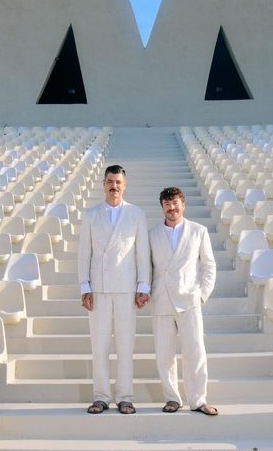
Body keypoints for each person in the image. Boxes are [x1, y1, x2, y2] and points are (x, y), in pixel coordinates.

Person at [78, 164, 150, 415]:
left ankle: (125, 396)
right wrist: (84, 286)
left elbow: (142, 252)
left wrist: (143, 286)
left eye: (118, 182)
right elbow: (83, 254)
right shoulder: (90, 215)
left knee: (125, 345)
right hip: (98, 289)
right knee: (99, 345)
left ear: (125, 185)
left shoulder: (136, 214)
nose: (114, 186)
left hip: (126, 288)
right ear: (103, 183)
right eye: (110, 181)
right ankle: (100, 396)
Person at [149, 186, 218, 415]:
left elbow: (209, 265)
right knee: (164, 354)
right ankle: (172, 399)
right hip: (162, 300)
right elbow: (147, 267)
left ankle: (198, 400)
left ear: (183, 204)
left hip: (190, 300)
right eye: (167, 204)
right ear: (162, 207)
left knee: (195, 351)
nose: (171, 207)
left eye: (175, 203)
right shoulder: (152, 234)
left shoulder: (199, 231)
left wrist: (202, 294)